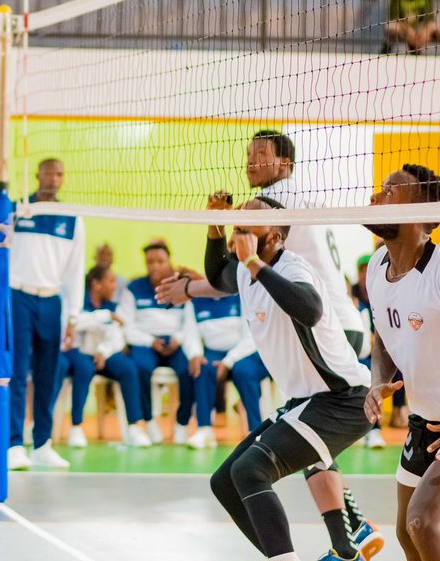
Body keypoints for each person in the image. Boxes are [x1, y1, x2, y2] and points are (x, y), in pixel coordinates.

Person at [206, 196, 377, 561]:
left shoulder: (293, 267)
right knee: (225, 482)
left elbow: (311, 310)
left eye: (249, 225)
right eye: (238, 225)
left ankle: (340, 544)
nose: (240, 230)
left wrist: (253, 263)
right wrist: (214, 227)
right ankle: (332, 549)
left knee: (252, 470)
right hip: (307, 402)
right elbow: (216, 276)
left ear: (275, 236)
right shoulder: (242, 269)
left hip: (343, 400)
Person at [238, 130, 383, 559]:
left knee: (303, 424)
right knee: (305, 427)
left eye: (259, 154)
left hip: (324, 322)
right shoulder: (294, 198)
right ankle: (349, 533)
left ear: (284, 164)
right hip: (337, 320)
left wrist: (194, 285)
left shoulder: (278, 201)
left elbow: (236, 271)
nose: (250, 161)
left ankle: (352, 530)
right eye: (247, 154)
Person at [363, 165, 440, 561]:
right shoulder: (376, 267)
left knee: (423, 522)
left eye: (389, 191)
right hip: (423, 423)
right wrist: (378, 381)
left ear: (420, 214)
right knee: (408, 537)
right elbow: (385, 337)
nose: (375, 198)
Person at [7, 157, 85, 471]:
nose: (54, 178)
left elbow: (75, 272)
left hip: (51, 301)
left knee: (47, 374)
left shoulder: (73, 219)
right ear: (38, 175)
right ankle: (14, 444)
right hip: (18, 296)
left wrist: (74, 316)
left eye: (60, 173)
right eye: (49, 172)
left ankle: (42, 443)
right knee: (16, 372)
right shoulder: (18, 209)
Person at [59, 265, 152, 448]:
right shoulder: (78, 302)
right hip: (77, 353)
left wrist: (103, 351)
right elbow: (74, 325)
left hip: (102, 354)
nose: (115, 286)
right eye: (111, 281)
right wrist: (103, 316)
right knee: (84, 369)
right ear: (96, 284)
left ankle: (134, 427)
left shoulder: (112, 306)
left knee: (128, 368)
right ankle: (76, 427)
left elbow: (116, 335)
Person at [118, 240, 195, 444]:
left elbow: (190, 323)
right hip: (146, 342)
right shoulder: (133, 288)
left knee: (189, 370)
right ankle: (149, 422)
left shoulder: (181, 287)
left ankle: (182, 424)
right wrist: (150, 341)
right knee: (140, 368)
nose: (155, 266)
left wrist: (178, 339)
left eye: (160, 261)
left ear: (169, 261)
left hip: (174, 342)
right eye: (150, 261)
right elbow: (127, 325)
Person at [182, 293, 268, 449]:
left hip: (243, 352)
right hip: (213, 352)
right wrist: (195, 353)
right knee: (201, 368)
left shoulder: (242, 297)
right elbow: (190, 333)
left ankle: (254, 431)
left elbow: (250, 337)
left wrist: (228, 361)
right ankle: (204, 429)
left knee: (244, 372)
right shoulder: (194, 302)